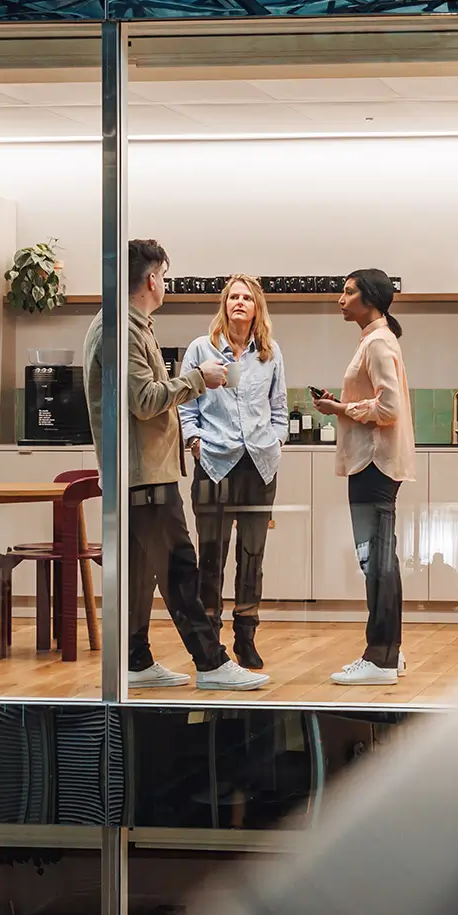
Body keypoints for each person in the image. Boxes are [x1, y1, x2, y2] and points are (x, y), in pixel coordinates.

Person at [82, 239, 270, 692]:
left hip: (145, 471)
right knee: (182, 569)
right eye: (163, 276)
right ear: (151, 279)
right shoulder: (120, 330)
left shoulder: (131, 326)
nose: (164, 283)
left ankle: (135, 658)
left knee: (140, 575)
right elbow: (144, 401)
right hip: (143, 475)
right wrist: (197, 380)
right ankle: (211, 663)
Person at [178, 275, 286, 671]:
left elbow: (280, 408)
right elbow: (186, 406)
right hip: (214, 464)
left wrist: (276, 442)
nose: (239, 303)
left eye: (246, 298)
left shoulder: (270, 353)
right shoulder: (200, 350)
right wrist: (194, 443)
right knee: (211, 555)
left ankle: (246, 636)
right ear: (224, 306)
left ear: (257, 308)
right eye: (233, 298)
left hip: (259, 465)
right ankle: (210, 641)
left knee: (252, 556)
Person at [315, 268, 412, 687]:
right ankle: (391, 651)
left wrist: (340, 410)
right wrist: (347, 405)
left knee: (376, 562)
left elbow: (387, 409)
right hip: (374, 463)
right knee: (380, 560)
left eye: (349, 292)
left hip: (373, 463)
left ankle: (381, 657)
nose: (341, 298)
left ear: (369, 298)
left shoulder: (376, 343)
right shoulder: (377, 340)